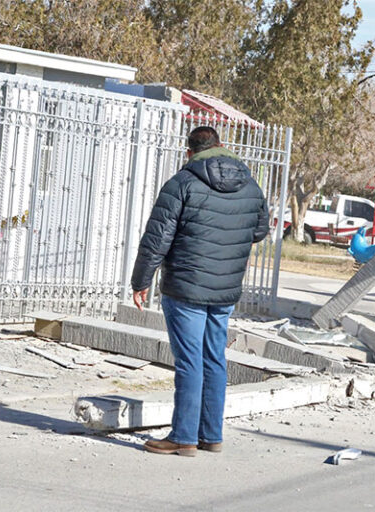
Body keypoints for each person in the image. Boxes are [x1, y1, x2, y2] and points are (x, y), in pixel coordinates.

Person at [131, 126, 268, 456]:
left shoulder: (182, 183)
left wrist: (141, 281)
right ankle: (211, 435)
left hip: (186, 286)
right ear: (222, 146)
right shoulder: (250, 185)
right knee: (214, 358)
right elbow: (260, 230)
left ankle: (183, 437)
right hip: (225, 288)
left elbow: (157, 238)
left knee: (189, 361)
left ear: (189, 152)